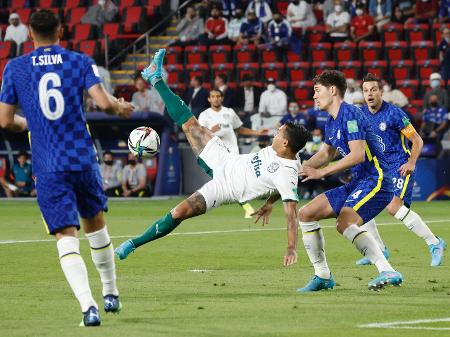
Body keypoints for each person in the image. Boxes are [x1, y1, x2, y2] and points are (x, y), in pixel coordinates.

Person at [115, 49, 310, 276]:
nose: (275, 133)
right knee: (191, 125)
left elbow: (291, 212)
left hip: (224, 188)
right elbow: (286, 185)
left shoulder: (286, 171)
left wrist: (291, 247)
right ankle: (155, 77)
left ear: (285, 143)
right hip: (226, 158)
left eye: (279, 133)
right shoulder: (292, 157)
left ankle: (133, 243)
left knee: (179, 212)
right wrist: (269, 202)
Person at [0, 10, 134, 326]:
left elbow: (5, 120)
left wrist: (27, 123)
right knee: (96, 224)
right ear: (61, 30)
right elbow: (103, 103)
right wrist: (120, 106)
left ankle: (88, 307)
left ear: (30, 34)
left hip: (48, 164)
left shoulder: (15, 67)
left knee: (66, 236)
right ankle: (111, 292)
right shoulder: (79, 61)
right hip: (81, 158)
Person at [254, 70, 403, 292]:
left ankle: (387, 270)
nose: (313, 96)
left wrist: (322, 173)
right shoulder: (332, 122)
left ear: (332, 90)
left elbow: (357, 155)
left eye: (317, 90)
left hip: (377, 179)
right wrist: (292, 177)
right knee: (306, 214)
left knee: (344, 222)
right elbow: (325, 154)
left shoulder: (350, 113)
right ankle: (323, 276)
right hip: (358, 182)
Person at [357, 74, 446, 267]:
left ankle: (435, 243)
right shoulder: (362, 115)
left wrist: (412, 163)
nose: (369, 93)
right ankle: (380, 250)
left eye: (373, 89)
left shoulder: (394, 113)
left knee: (393, 208)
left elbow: (417, 140)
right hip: (378, 170)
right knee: (361, 207)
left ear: (381, 91)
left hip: (399, 166)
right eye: (366, 90)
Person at [198, 88, 268, 218]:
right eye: (212, 96)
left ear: (222, 98)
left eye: (218, 96)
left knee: (237, 181)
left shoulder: (229, 112)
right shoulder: (204, 115)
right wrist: (211, 131)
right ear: (209, 99)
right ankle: (246, 207)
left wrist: (257, 132)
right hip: (216, 156)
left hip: (233, 152)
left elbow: (239, 128)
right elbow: (200, 135)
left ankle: (247, 206)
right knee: (232, 183)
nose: (216, 98)